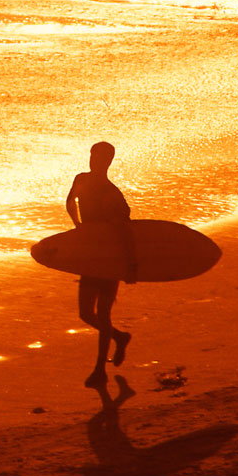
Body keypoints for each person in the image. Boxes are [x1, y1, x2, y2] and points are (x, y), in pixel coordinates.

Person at [66, 141, 136, 388]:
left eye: (98, 157)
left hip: (109, 260)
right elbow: (69, 201)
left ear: (108, 162)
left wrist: (128, 266)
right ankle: (120, 337)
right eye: (92, 155)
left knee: (104, 314)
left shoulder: (110, 194)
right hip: (90, 257)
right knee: (85, 313)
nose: (93, 160)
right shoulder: (81, 179)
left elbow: (125, 231)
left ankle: (99, 370)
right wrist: (77, 226)